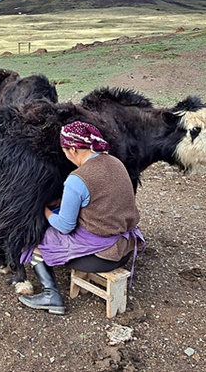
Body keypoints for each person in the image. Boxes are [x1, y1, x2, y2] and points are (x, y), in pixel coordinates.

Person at [19, 121, 145, 315]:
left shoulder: (78, 178)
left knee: (35, 238)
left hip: (102, 258)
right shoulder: (115, 162)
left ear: (73, 149)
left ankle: (50, 296)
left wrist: (43, 210)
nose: (66, 156)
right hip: (125, 248)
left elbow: (65, 226)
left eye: (65, 151)